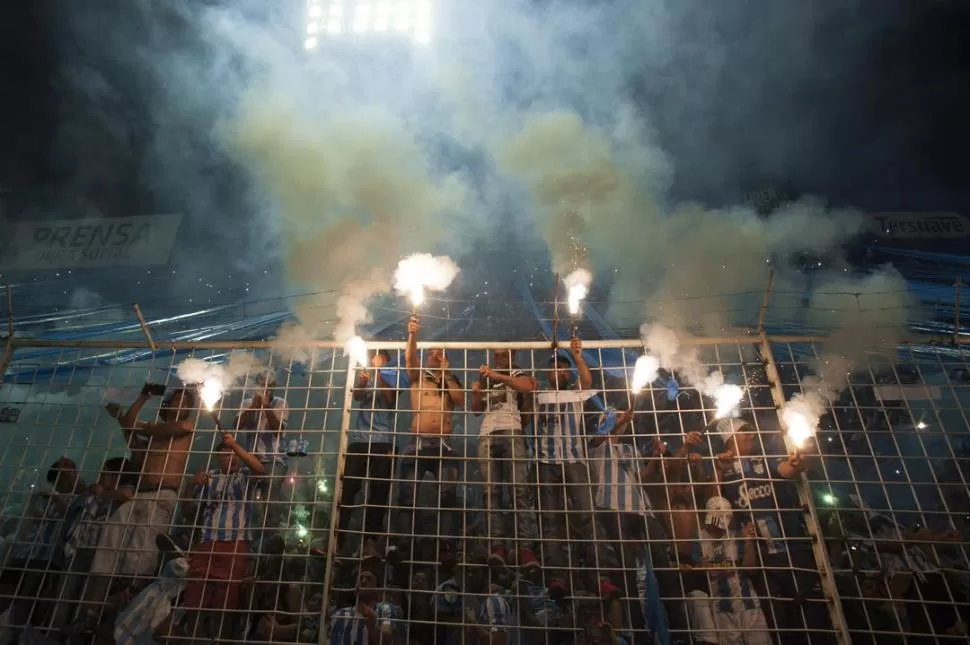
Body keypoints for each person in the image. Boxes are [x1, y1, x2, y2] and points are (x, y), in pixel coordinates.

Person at [68, 385, 197, 634]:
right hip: (140, 493)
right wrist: (141, 399)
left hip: (161, 494)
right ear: (168, 405)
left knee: (140, 556)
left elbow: (175, 427)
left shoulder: (184, 429)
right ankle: (90, 613)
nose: (181, 404)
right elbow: (131, 431)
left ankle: (130, 613)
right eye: (177, 399)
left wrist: (138, 424)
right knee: (109, 546)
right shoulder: (152, 435)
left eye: (185, 401)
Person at [712, 417, 825, 645]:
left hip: (793, 548)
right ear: (731, 439)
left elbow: (785, 469)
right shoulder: (721, 468)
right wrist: (718, 469)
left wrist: (797, 461)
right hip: (760, 558)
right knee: (777, 619)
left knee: (813, 614)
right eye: (745, 432)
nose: (752, 435)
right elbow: (713, 499)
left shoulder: (763, 460)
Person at [533, 337, 621, 600]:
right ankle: (557, 577)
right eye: (554, 368)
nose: (559, 371)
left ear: (568, 372)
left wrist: (579, 357)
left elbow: (588, 382)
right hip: (545, 461)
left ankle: (600, 578)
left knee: (587, 516)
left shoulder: (575, 393)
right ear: (548, 373)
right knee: (550, 521)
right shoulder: (538, 394)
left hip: (574, 460)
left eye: (564, 368)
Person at [178, 431, 264, 644]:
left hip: (234, 544)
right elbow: (188, 510)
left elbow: (260, 469)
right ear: (218, 457)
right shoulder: (210, 477)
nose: (231, 457)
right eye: (226, 454)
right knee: (194, 600)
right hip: (207, 542)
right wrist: (192, 484)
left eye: (233, 453)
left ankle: (221, 640)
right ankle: (196, 639)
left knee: (226, 603)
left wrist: (235, 445)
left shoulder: (244, 476)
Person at [393, 317, 463, 559]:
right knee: (407, 495)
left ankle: (446, 545)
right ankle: (403, 544)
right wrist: (412, 335)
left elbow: (460, 400)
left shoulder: (452, 379)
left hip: (444, 444)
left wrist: (446, 374)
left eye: (439, 353)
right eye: (432, 353)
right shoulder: (418, 377)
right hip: (418, 441)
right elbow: (409, 359)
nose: (435, 356)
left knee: (448, 497)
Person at [471, 348, 540, 570]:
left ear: (512, 356)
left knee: (519, 490)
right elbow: (475, 410)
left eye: (503, 355)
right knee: (491, 493)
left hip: (512, 430)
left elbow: (528, 386)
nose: (498, 358)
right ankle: (497, 546)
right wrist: (475, 393)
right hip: (487, 433)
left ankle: (525, 548)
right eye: (496, 355)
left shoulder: (517, 373)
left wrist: (497, 376)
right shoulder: (486, 377)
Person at [49, 457, 133, 628]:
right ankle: (57, 632)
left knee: (84, 603)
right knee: (64, 599)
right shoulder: (91, 493)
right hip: (78, 549)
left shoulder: (119, 493)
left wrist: (102, 493)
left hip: (99, 554)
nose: (101, 476)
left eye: (106, 473)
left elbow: (126, 494)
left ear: (117, 475)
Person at [685, 496, 771, 645]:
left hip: (748, 603)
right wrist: (706, 566)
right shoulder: (699, 537)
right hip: (722, 607)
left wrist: (749, 541)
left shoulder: (737, 535)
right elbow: (700, 569)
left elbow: (750, 568)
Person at [339, 349, 399, 562]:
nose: (376, 360)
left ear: (387, 362)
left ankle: (370, 543)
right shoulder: (367, 377)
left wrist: (381, 373)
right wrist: (364, 382)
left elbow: (390, 400)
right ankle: (338, 543)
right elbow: (357, 396)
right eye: (375, 357)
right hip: (359, 440)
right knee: (348, 490)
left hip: (383, 441)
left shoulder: (393, 377)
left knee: (378, 493)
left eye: (381, 358)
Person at [234, 372, 290, 541]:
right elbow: (237, 425)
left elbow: (279, 431)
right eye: (261, 384)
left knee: (271, 494)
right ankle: (245, 534)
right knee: (244, 497)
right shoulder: (246, 402)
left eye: (268, 385)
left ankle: (271, 536)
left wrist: (266, 408)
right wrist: (253, 407)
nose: (265, 388)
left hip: (274, 459)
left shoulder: (281, 403)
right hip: (251, 459)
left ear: (273, 387)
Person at [434, 547, 514, 645]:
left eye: (475, 571)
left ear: (486, 574)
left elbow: (498, 642)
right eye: (469, 571)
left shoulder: (494, 602)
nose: (470, 575)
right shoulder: (480, 604)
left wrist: (471, 621)